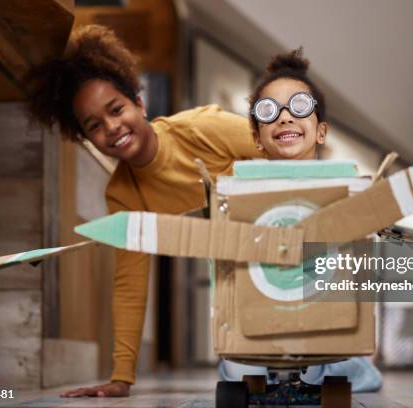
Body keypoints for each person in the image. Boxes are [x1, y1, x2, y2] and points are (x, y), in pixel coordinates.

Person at [25, 25, 263, 397]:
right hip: (242, 285)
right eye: (95, 126)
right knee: (239, 374)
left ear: (139, 102)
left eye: (116, 109)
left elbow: (285, 155)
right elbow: (130, 285)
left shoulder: (203, 128)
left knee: (332, 360)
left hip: (293, 244)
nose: (112, 127)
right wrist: (122, 377)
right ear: (88, 140)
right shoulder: (124, 195)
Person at [217, 48, 383, 392]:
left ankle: (352, 364)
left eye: (299, 107)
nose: (285, 118)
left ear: (320, 131)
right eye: (269, 112)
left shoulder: (343, 189)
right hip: (264, 321)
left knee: (342, 367)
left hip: (322, 317)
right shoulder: (243, 194)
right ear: (257, 139)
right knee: (236, 370)